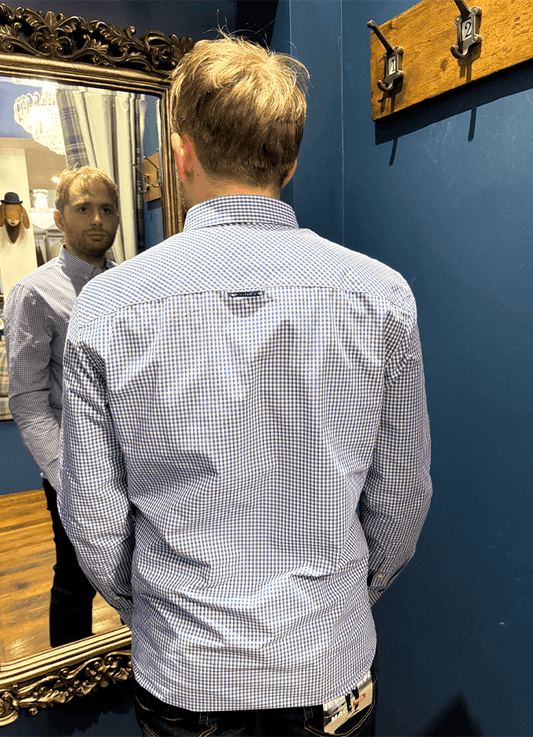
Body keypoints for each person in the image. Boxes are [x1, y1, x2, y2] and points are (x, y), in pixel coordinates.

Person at [58, 36, 432, 736]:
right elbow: (402, 502)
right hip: (328, 665)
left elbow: (94, 522)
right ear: (289, 163)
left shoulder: (106, 306)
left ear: (182, 154)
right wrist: (337, 602)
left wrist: (160, 615)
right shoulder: (380, 296)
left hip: (185, 673)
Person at [4, 166, 120, 648]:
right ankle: (68, 674)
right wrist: (64, 475)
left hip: (137, 463)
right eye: (83, 208)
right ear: (58, 218)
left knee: (142, 572)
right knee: (75, 581)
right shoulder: (34, 293)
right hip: (75, 467)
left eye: (107, 209)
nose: (97, 220)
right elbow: (27, 398)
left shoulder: (130, 284)